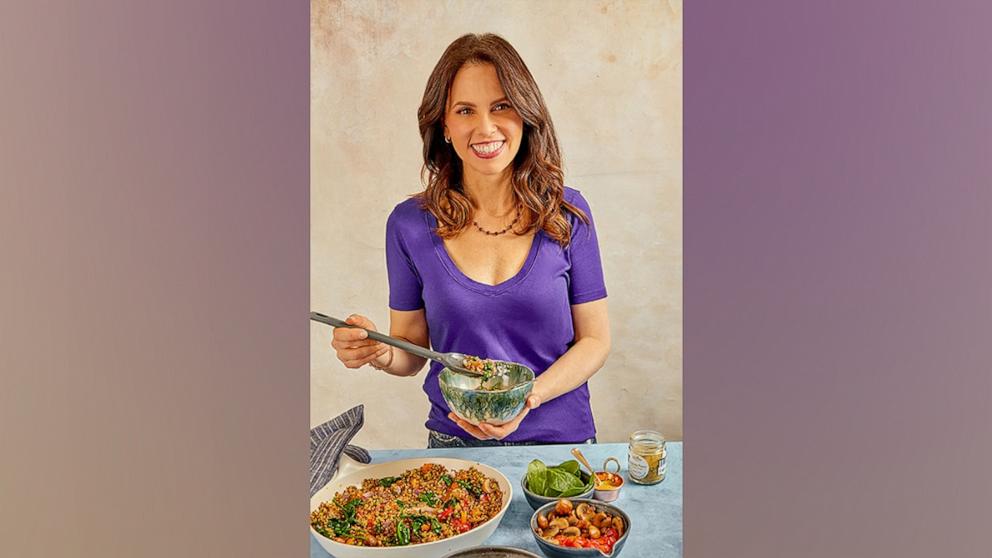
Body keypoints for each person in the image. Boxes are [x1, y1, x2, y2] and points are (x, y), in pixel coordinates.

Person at [331, 33, 610, 447]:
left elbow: (595, 341)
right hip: (454, 451)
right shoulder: (408, 225)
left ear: (525, 114)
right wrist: (379, 352)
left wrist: (527, 400)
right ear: (444, 125)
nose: (485, 127)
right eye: (465, 110)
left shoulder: (567, 214)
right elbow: (409, 348)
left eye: (501, 106)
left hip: (562, 450)